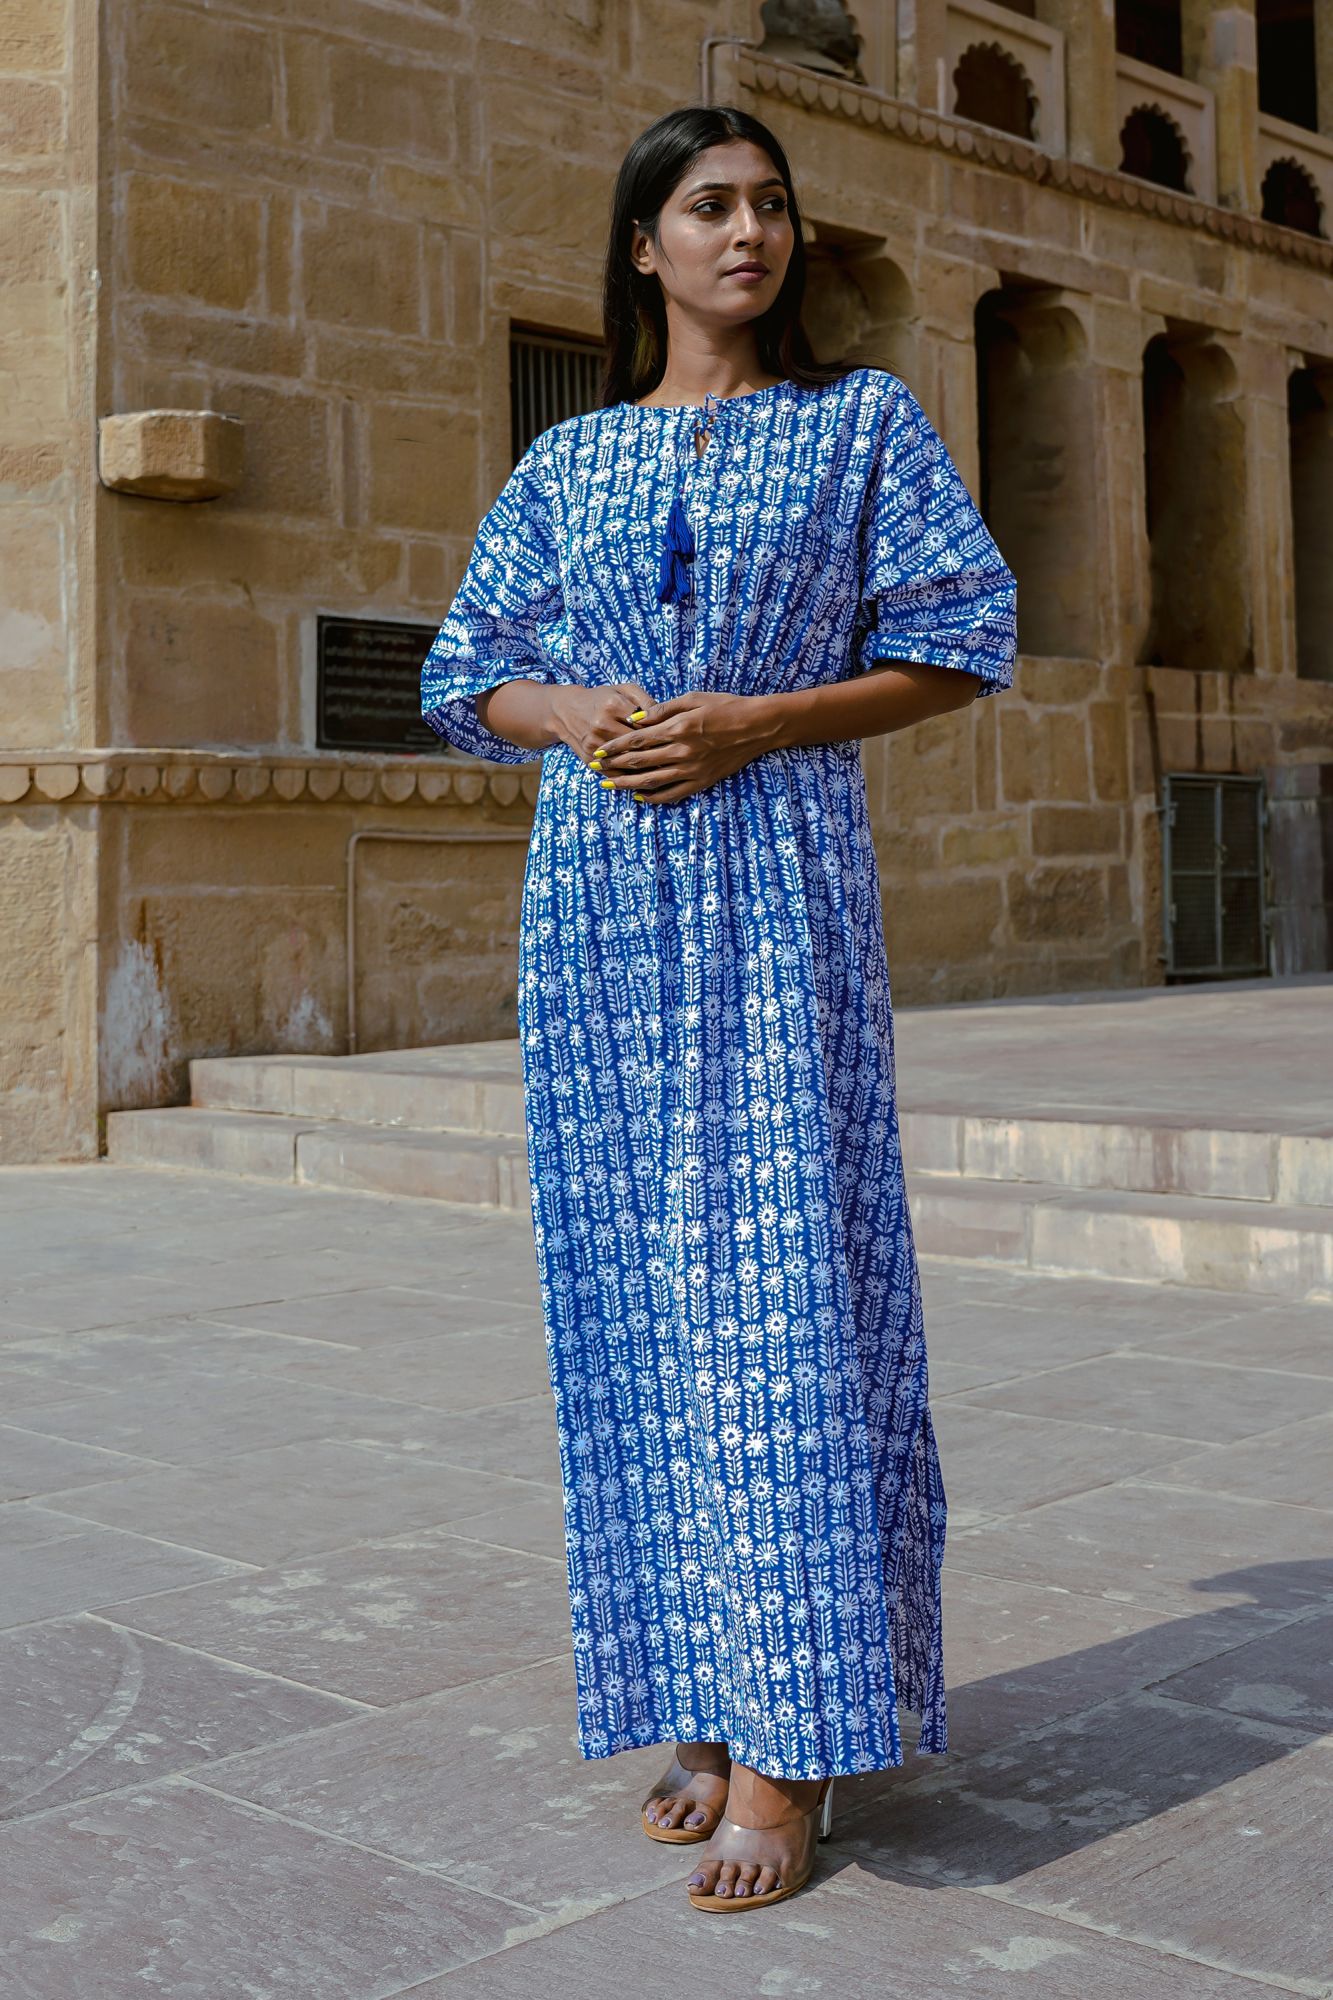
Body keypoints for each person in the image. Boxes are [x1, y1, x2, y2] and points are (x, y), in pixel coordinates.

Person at [421, 103, 1017, 1914]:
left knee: (782, 1292)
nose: (744, 233)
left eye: (767, 205)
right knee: (636, 1310)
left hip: (776, 906)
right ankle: (703, 1698)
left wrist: (749, 719)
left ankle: (791, 1752)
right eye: (706, 206)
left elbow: (959, 637)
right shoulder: (569, 462)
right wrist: (584, 710)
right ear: (643, 246)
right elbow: (467, 672)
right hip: (596, 925)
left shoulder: (857, 429)